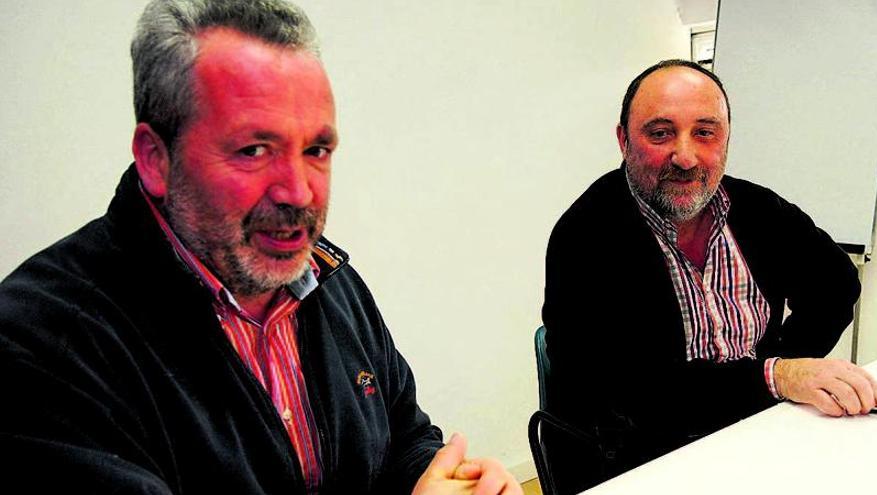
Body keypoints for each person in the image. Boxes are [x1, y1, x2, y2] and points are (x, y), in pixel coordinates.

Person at [0, 1, 521, 494]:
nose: (297, 192)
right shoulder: (39, 344)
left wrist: (456, 481)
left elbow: (403, 439)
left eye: (316, 150)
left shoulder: (326, 278)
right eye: (253, 150)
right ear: (155, 158)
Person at [541, 59, 877, 493]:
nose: (685, 157)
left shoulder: (757, 209)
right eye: (660, 133)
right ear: (624, 140)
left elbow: (836, 284)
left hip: (759, 431)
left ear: (725, 140)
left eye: (705, 132)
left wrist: (786, 363)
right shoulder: (584, 237)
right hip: (641, 459)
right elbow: (637, 393)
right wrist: (777, 376)